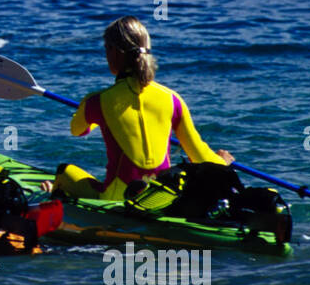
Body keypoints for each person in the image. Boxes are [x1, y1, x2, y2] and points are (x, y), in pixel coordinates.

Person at [43, 16, 234, 202]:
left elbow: (77, 130)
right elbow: (198, 153)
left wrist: (94, 116)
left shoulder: (97, 101)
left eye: (106, 49)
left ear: (115, 52)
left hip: (116, 198)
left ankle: (54, 192)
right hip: (159, 198)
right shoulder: (173, 99)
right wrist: (222, 163)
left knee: (63, 171)